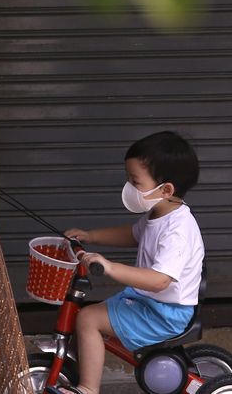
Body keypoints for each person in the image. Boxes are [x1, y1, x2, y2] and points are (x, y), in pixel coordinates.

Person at [58, 131, 204, 394]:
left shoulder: (178, 230)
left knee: (89, 319)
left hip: (164, 313)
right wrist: (91, 236)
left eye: (135, 182)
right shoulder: (158, 212)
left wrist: (111, 267)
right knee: (91, 316)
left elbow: (160, 280)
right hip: (149, 302)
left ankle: (88, 389)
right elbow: (132, 234)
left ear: (166, 189)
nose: (129, 187)